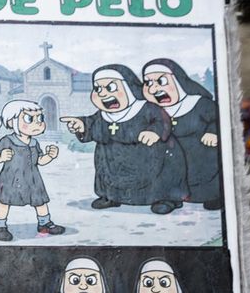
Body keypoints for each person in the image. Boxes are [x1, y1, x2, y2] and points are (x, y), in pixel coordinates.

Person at [61, 64, 186, 215]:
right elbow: (92, 124)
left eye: (110, 87)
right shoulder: (103, 115)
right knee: (106, 169)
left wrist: (154, 132)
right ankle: (111, 196)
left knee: (162, 171)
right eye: (98, 89)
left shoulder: (147, 108)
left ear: (129, 88)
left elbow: (163, 122)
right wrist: (82, 125)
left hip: (148, 162)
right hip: (114, 164)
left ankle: (165, 199)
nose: (103, 93)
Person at [140, 58, 222, 211]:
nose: (153, 89)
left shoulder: (200, 104)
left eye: (161, 81)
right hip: (170, 162)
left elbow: (218, 118)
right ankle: (169, 200)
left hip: (200, 160)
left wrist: (212, 132)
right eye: (148, 83)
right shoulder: (152, 111)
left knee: (206, 182)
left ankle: (213, 196)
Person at [0, 98, 64, 240]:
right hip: (10, 179)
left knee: (40, 201)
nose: (38, 123)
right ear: (12, 122)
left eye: (40, 118)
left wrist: (50, 156)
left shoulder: (34, 142)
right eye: (29, 119)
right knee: (4, 201)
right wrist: (1, 157)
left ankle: (45, 223)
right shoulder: (8, 141)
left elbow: (39, 160)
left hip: (33, 179)